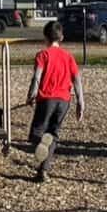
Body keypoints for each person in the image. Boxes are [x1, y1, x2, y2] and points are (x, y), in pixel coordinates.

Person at [25, 20, 85, 182]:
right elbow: (77, 79)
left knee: (36, 134)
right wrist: (81, 102)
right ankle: (43, 171)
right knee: (52, 135)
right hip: (64, 101)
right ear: (62, 37)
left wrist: (31, 95)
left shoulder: (43, 55)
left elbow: (37, 77)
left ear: (45, 37)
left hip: (47, 99)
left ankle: (41, 147)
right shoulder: (68, 57)